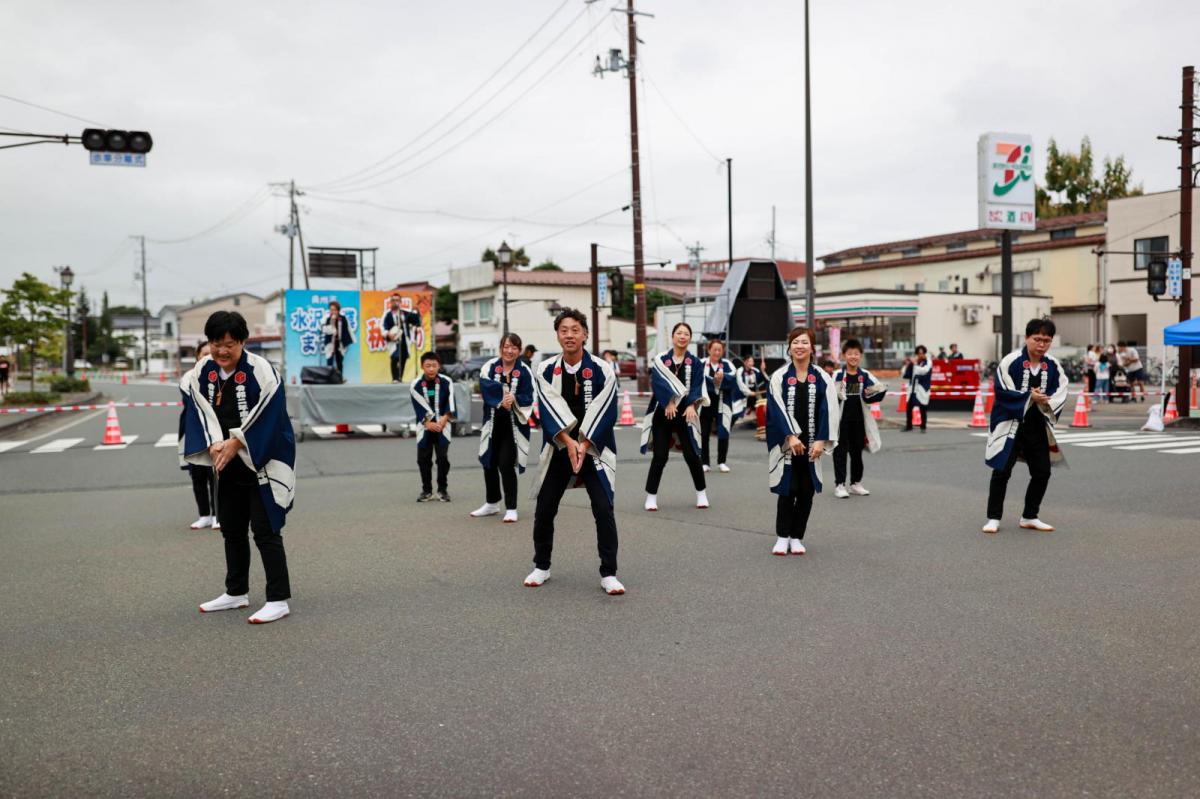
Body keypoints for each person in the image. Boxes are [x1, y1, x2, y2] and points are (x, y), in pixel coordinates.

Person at [181, 311, 295, 624]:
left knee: (266, 530)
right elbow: (197, 409)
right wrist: (214, 443)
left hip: (262, 459)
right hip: (226, 460)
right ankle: (236, 592)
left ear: (243, 342)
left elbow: (271, 415)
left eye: (229, 344)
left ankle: (278, 599)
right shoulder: (203, 369)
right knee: (231, 528)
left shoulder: (261, 369)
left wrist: (236, 442)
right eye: (216, 344)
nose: (221, 351)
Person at [524, 308, 624, 595]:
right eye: (564, 330)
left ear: (585, 334)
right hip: (560, 446)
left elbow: (607, 411)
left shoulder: (602, 369)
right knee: (545, 508)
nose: (569, 335)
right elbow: (546, 412)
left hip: (594, 447)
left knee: (603, 508)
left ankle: (609, 573)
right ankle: (542, 566)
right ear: (557, 335)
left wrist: (584, 444)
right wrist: (569, 442)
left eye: (575, 330)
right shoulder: (545, 369)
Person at [982, 317, 1069, 534]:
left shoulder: (1052, 365)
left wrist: (1045, 400)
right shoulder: (1011, 361)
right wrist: (1029, 397)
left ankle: (1030, 515)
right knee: (1001, 471)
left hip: (1037, 425)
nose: (1041, 344)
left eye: (1046, 340)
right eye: (1037, 339)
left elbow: (1062, 389)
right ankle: (993, 517)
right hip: (1010, 423)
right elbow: (1002, 391)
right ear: (1027, 338)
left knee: (1042, 472)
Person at [766, 326, 838, 556]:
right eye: (795, 342)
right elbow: (775, 410)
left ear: (812, 348)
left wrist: (821, 440)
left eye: (804, 342)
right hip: (788, 444)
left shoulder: (822, 377)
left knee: (806, 491)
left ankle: (796, 536)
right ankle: (782, 536)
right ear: (789, 348)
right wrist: (790, 436)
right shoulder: (779, 377)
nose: (800, 346)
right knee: (788, 489)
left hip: (812, 445)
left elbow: (829, 409)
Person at [641, 322, 708, 512]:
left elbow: (697, 385)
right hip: (663, 413)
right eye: (679, 333)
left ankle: (701, 493)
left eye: (686, 333)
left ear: (690, 338)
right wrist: (668, 402)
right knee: (660, 456)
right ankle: (651, 496)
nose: (682, 336)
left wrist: (692, 404)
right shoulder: (661, 359)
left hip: (685, 414)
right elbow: (657, 383)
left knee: (692, 455)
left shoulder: (695, 362)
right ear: (673, 337)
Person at [471, 333, 533, 522]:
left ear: (519, 350)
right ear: (500, 348)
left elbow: (529, 396)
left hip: (513, 427)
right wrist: (502, 398)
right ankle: (492, 503)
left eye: (514, 347)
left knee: (506, 464)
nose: (509, 351)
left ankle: (511, 507)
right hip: (492, 422)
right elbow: (485, 386)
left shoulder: (524, 371)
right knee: (488, 461)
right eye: (506, 346)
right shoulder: (489, 366)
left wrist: (514, 398)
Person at [832, 338, 888, 498]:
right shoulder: (838, 375)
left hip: (859, 421)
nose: (853, 357)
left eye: (856, 354)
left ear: (861, 356)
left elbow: (877, 388)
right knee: (840, 452)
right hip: (841, 421)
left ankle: (855, 483)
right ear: (844, 356)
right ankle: (840, 485)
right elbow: (829, 396)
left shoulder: (865, 375)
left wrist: (878, 390)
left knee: (857, 453)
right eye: (850, 354)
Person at [181, 341, 219, 531]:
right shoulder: (188, 377)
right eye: (203, 354)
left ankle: (218, 515)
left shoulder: (219, 375)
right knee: (197, 476)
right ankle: (204, 515)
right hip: (195, 433)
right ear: (197, 356)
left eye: (209, 354)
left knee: (215, 476)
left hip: (215, 433)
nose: (207, 357)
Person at [411, 352, 455, 502]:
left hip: (443, 425)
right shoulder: (416, 384)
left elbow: (450, 402)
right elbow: (418, 406)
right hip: (425, 426)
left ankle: (442, 490)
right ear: (422, 366)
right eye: (428, 365)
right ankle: (426, 490)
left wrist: (444, 419)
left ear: (439, 366)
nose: (431, 369)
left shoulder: (446, 381)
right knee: (423, 459)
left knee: (442, 459)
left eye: (434, 365)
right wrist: (428, 424)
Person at [700, 339, 742, 473]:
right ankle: (704, 462)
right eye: (714, 349)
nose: (717, 352)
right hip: (705, 403)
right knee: (703, 433)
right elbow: (699, 379)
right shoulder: (701, 363)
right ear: (709, 350)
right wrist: (715, 380)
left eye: (720, 350)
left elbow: (733, 379)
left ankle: (722, 461)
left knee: (723, 432)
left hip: (723, 402)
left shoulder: (728, 364)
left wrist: (722, 378)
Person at [382, 293, 422, 383]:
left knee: (403, 357)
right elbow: (383, 326)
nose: (395, 302)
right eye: (393, 300)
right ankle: (395, 378)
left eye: (397, 300)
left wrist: (416, 312)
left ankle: (400, 377)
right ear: (390, 302)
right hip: (393, 340)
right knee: (395, 357)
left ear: (400, 302)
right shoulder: (387, 315)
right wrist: (388, 334)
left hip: (404, 339)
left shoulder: (404, 313)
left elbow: (416, 320)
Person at [901, 345, 932, 432]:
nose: (920, 355)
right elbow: (905, 374)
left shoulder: (928, 362)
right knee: (909, 407)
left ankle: (923, 427)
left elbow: (924, 371)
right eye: (918, 353)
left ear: (924, 353)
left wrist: (914, 364)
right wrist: (908, 364)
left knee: (923, 407)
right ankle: (909, 426)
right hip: (913, 388)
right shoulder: (915, 362)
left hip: (922, 388)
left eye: (922, 353)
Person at [321, 300, 355, 377]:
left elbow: (347, 331)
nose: (333, 312)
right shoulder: (326, 318)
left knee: (339, 362)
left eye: (335, 310)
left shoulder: (342, 318)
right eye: (331, 310)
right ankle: (329, 378)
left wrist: (346, 343)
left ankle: (340, 378)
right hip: (330, 343)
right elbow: (324, 329)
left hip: (340, 343)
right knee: (329, 361)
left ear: (338, 310)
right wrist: (332, 321)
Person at [734, 355, 766, 427]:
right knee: (736, 413)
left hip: (753, 395)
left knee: (761, 405)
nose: (752, 363)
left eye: (752, 361)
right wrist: (749, 392)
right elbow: (740, 384)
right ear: (745, 362)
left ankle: (759, 423)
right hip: (741, 395)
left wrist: (762, 371)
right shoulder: (740, 371)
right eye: (750, 361)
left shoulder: (755, 370)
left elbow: (762, 379)